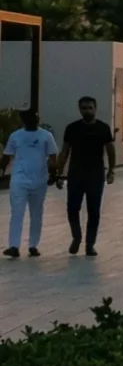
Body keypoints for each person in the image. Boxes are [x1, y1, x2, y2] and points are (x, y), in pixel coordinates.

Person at [60, 96, 115, 257]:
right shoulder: (72, 128)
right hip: (75, 175)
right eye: (84, 108)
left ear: (95, 109)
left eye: (90, 108)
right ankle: (76, 237)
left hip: (95, 175)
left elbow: (110, 150)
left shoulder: (103, 128)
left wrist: (111, 171)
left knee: (94, 211)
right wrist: (59, 173)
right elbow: (65, 151)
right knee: (72, 208)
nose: (87, 111)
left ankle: (90, 244)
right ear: (79, 109)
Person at [3, 108, 58, 258]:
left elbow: (53, 156)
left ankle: (33, 245)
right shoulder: (16, 136)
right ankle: (14, 246)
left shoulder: (46, 136)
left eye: (36, 118)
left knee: (36, 213)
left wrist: (54, 173)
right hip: (19, 179)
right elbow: (7, 156)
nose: (34, 121)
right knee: (17, 212)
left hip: (39, 180)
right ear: (24, 120)